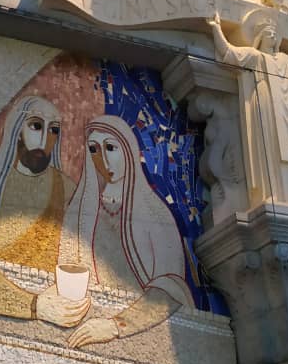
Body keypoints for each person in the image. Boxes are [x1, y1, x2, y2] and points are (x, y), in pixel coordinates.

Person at [43, 115, 195, 349]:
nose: (102, 160)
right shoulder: (81, 210)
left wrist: (117, 325)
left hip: (138, 333)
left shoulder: (155, 215)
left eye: (110, 148)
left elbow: (171, 287)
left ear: (128, 150)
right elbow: (67, 266)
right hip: (84, 322)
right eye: (94, 150)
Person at [0, 95, 87, 326]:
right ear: (17, 130)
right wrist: (34, 306)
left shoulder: (66, 190)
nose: (44, 139)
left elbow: (79, 257)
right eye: (36, 126)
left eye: (53, 130)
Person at [209, 9, 288, 207]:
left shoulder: (284, 59)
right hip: (265, 104)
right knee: (269, 146)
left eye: (274, 33)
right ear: (260, 37)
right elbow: (229, 52)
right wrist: (216, 29)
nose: (272, 36)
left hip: (286, 107)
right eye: (268, 33)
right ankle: (271, 192)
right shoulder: (255, 56)